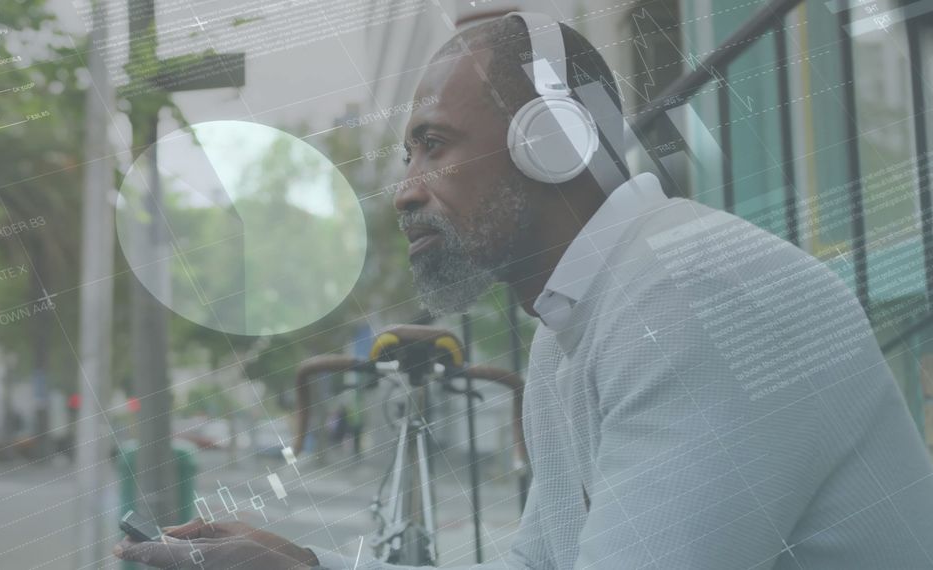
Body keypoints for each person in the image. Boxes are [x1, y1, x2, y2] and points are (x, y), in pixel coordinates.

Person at [116, 11, 933, 569]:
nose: (404, 191)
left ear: (557, 143)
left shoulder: (696, 294)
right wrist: (303, 565)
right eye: (408, 157)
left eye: (433, 146)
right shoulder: (572, 331)